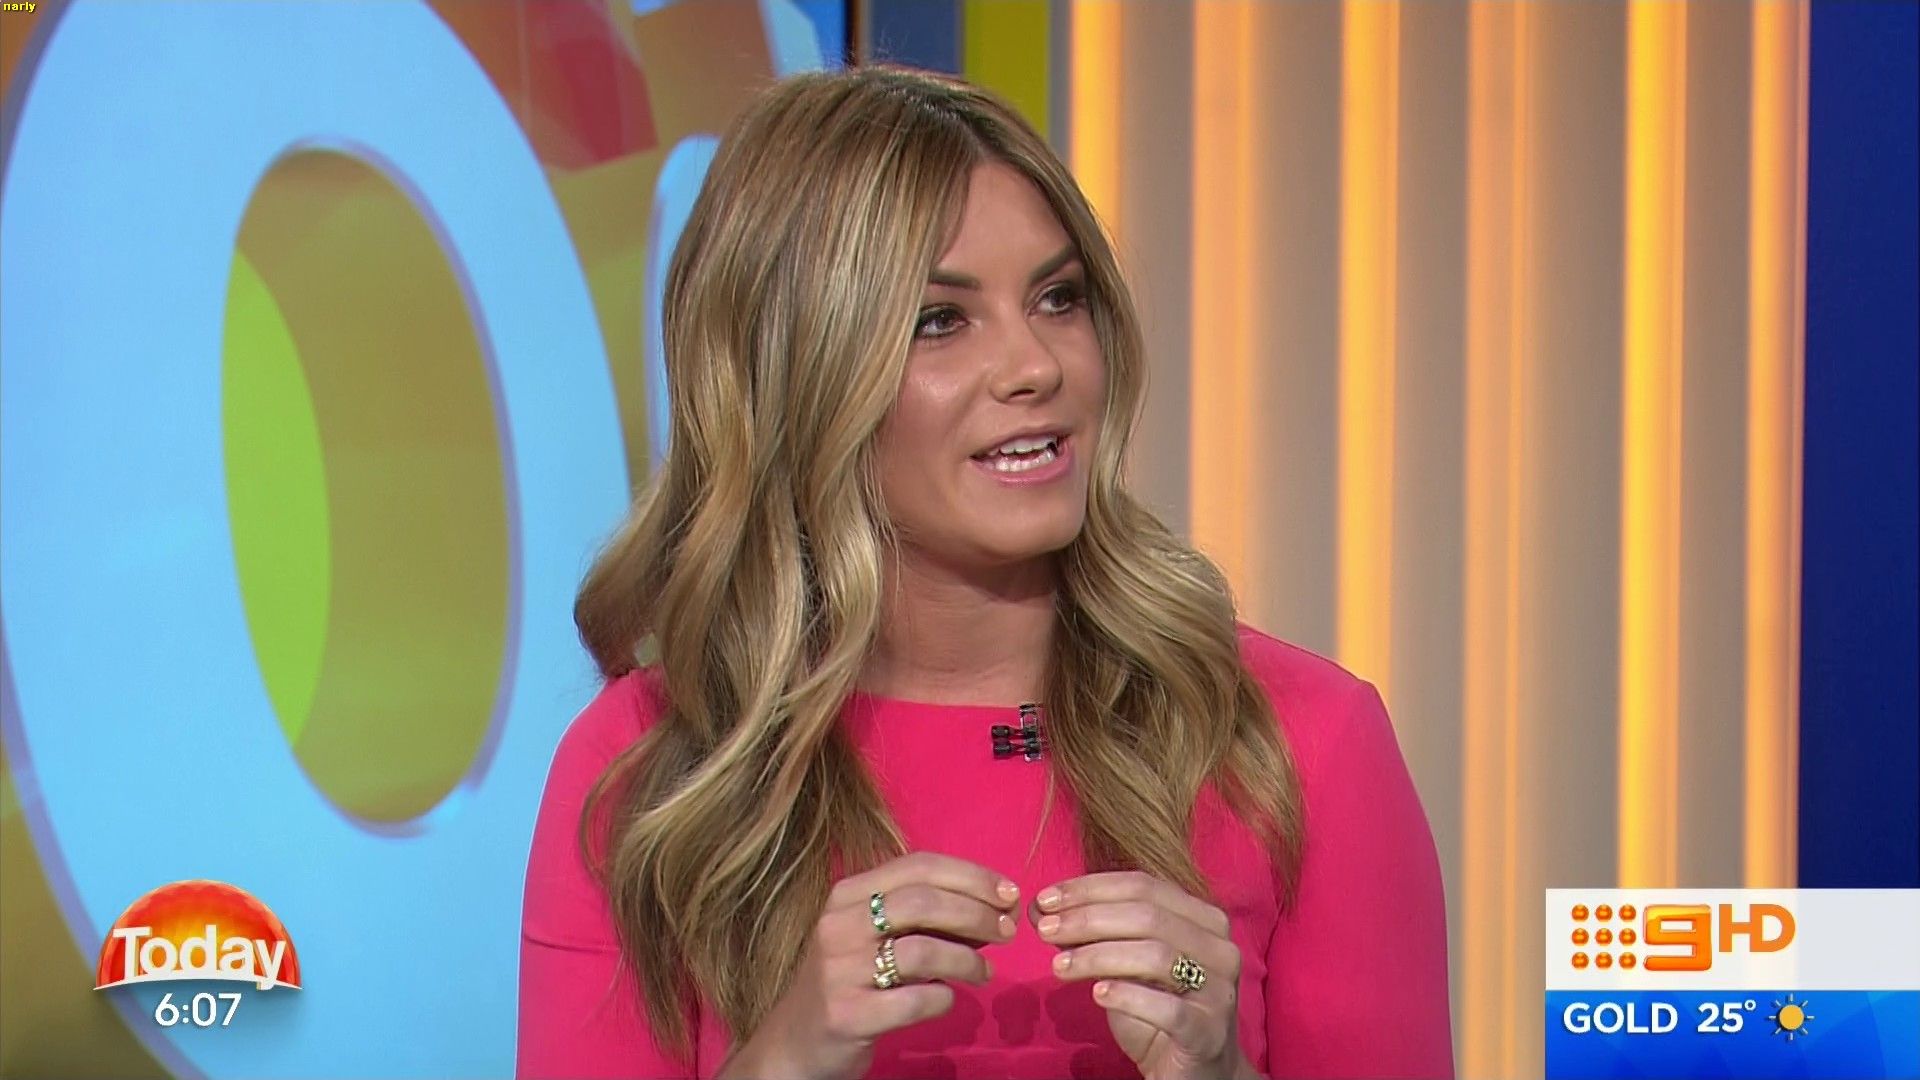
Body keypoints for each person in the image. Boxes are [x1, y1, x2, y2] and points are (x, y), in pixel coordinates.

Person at [518, 65, 1451, 1080]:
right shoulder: (651, 773)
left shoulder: (1296, 743)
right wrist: (778, 1063)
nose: (1038, 366)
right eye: (941, 320)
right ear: (797, 371)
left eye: (1059, 299)